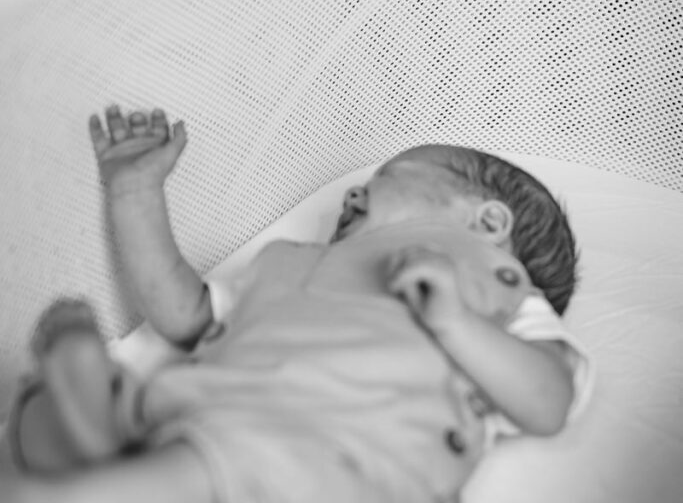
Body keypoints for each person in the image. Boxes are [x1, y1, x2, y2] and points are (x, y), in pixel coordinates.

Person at [2, 105, 591, 503]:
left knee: (217, 461)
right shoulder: (290, 264)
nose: (356, 190)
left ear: (487, 222)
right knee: (55, 422)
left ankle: (83, 480)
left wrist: (458, 323)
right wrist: (135, 195)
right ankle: (79, 431)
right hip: (198, 412)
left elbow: (549, 402)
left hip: (341, 459)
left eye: (392, 176)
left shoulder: (495, 296)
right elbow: (184, 316)